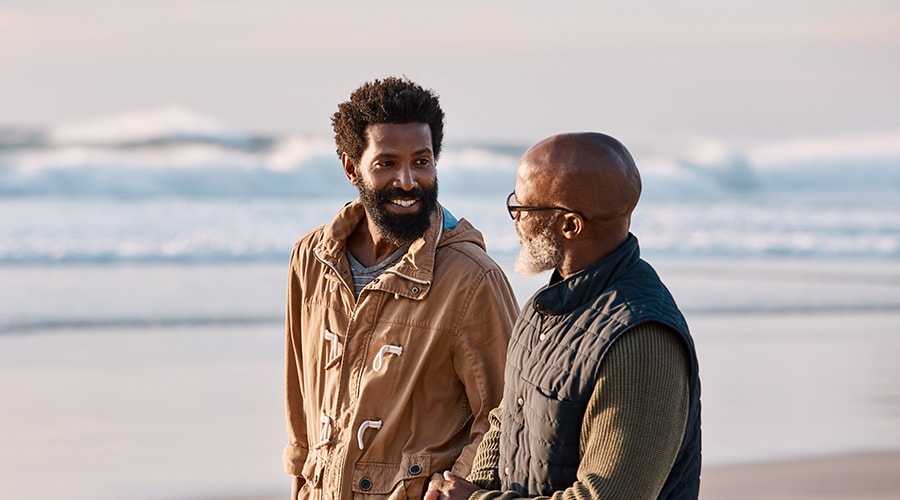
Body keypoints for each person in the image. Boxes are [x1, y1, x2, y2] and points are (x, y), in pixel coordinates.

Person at [426, 132, 702, 499]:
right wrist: (474, 485)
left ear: (570, 225)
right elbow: (508, 420)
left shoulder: (641, 340)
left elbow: (610, 495)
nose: (516, 221)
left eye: (522, 209)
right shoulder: (546, 306)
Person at [283, 77, 519, 500]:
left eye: (422, 162)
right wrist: (300, 477)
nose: (408, 181)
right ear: (351, 167)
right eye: (387, 163)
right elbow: (301, 391)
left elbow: (508, 411)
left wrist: (459, 484)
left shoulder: (471, 278)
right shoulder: (311, 259)